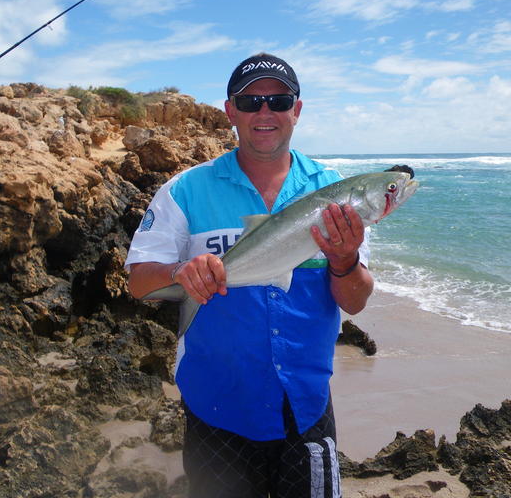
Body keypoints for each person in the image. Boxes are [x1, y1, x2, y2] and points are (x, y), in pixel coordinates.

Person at [125, 52, 374, 497]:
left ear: (296, 110)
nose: (265, 112)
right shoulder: (184, 190)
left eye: (279, 101)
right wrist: (182, 272)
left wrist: (344, 259)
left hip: (306, 408)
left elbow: (354, 301)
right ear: (230, 111)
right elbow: (140, 282)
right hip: (217, 407)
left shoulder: (335, 195)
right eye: (251, 100)